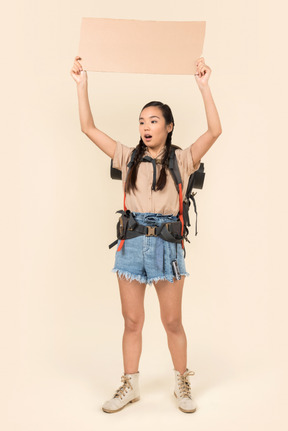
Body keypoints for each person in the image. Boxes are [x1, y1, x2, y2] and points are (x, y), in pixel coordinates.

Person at [70, 55, 222, 413]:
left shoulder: (183, 159)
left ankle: (181, 382)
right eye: (141, 121)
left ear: (169, 126)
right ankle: (130, 385)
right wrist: (82, 85)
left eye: (153, 121)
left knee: (172, 321)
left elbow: (215, 131)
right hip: (132, 242)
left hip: (167, 247)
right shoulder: (127, 157)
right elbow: (88, 128)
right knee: (132, 321)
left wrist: (204, 86)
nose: (145, 126)